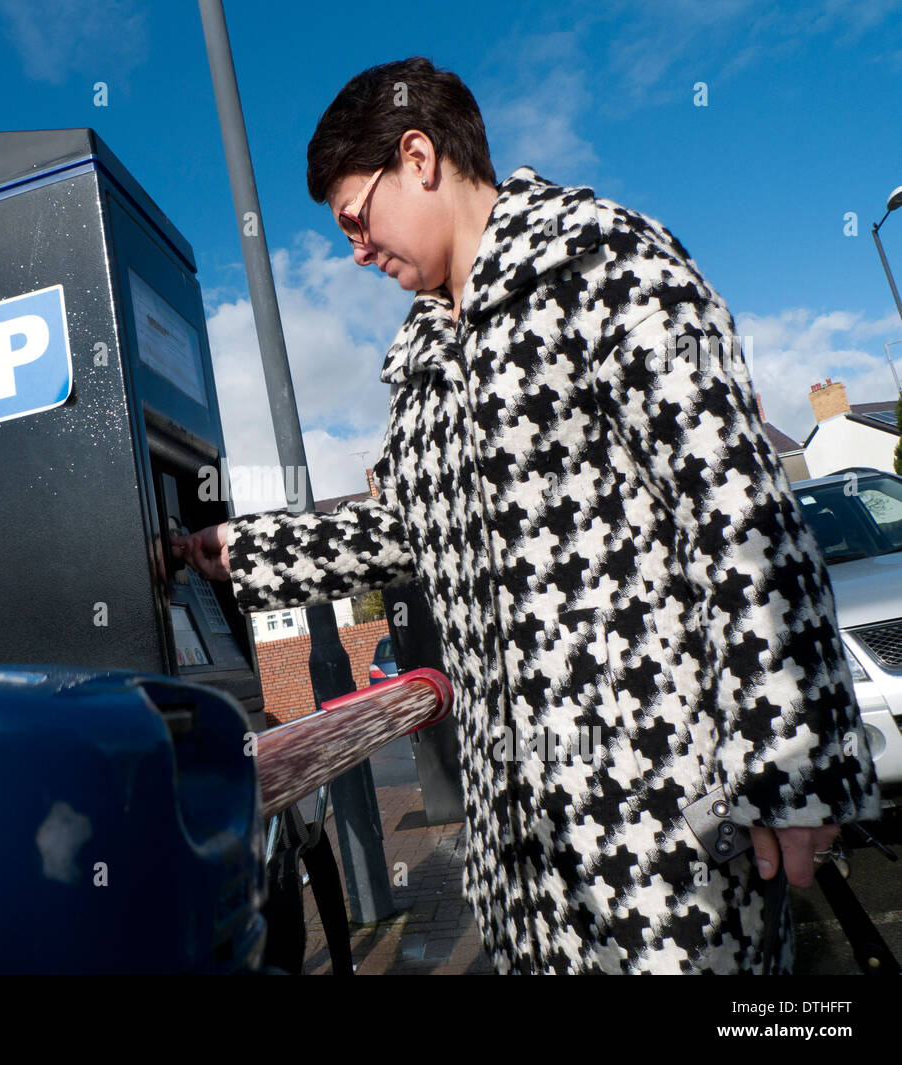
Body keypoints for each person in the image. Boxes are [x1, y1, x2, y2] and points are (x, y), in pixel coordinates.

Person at [171, 56, 881, 974]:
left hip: (659, 828)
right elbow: (405, 527)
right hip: (525, 854)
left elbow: (735, 501)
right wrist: (240, 548)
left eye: (355, 217)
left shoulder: (601, 260)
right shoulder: (421, 362)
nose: (354, 250)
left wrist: (792, 753)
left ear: (418, 156)